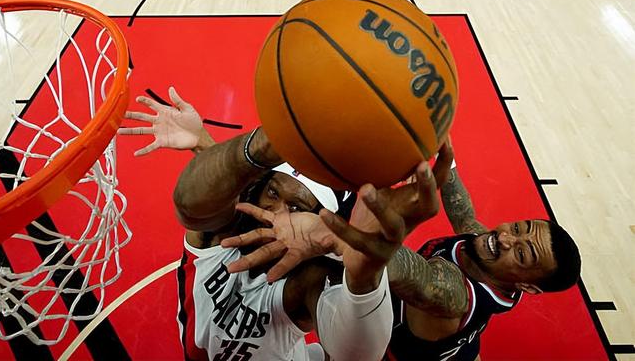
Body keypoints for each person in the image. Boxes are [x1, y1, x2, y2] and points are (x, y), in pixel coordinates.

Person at [120, 87, 454, 361]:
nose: (276, 212)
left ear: (321, 220)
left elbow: (359, 356)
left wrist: (365, 273)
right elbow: (191, 202)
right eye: (272, 193)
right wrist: (210, 146)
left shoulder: (306, 280)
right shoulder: (221, 231)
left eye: (296, 208)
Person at [229, 153, 582, 361]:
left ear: (527, 286)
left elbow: (390, 262)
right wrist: (440, 147)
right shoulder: (491, 251)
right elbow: (465, 215)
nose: (504, 237)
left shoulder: (453, 296)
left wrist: (334, 234)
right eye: (518, 227)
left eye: (521, 252)